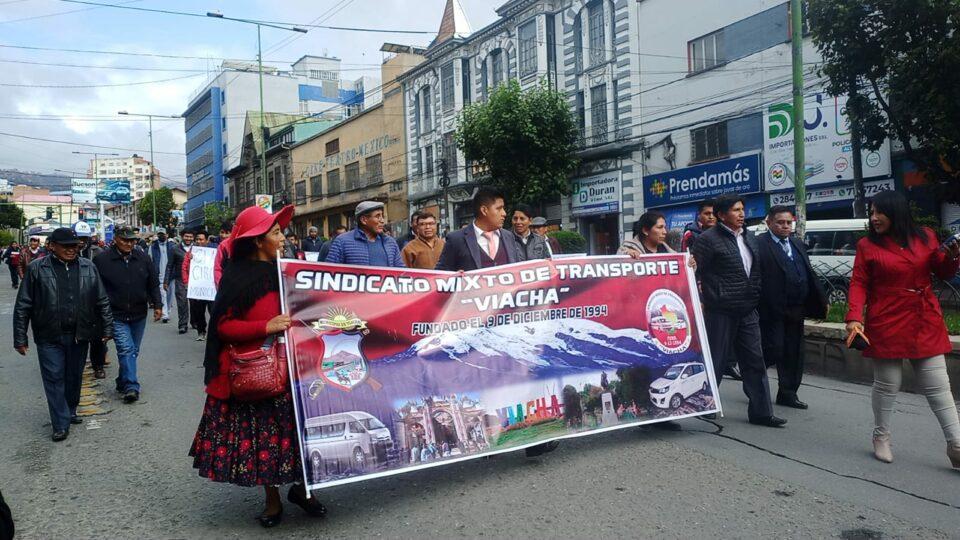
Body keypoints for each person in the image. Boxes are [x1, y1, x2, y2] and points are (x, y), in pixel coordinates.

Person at [190, 204, 326, 528]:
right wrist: (265, 327)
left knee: (298, 437)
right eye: (276, 232)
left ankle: (303, 492)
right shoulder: (235, 278)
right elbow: (223, 327)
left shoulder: (292, 270)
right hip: (257, 371)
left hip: (297, 368)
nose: (282, 237)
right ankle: (273, 499)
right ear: (257, 240)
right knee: (266, 442)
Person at [435, 187, 558, 457]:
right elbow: (438, 277)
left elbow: (522, 270)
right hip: (476, 329)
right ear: (484, 210)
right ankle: (488, 439)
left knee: (523, 374)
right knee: (487, 380)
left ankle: (534, 439)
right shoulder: (457, 239)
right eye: (500, 209)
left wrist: (544, 269)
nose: (505, 215)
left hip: (510, 323)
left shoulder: (508, 237)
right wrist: (452, 278)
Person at [844, 191, 960, 467]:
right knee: (887, 384)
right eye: (871, 213)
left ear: (895, 212)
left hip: (924, 318)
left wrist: (952, 257)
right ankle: (880, 436)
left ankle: (955, 444)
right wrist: (853, 317)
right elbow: (858, 282)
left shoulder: (926, 236)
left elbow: (941, 272)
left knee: (939, 386)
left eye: (878, 213)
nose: (873, 219)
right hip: (887, 318)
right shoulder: (867, 245)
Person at [691, 194, 785, 428]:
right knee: (716, 360)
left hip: (748, 309)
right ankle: (704, 403)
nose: (741, 214)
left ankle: (762, 412)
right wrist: (702, 299)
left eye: (742, 209)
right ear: (722, 215)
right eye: (735, 210)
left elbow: (756, 270)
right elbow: (693, 272)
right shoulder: (707, 240)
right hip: (720, 310)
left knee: (755, 360)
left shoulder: (750, 238)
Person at [14, 227, 113, 441]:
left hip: (80, 333)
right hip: (49, 335)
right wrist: (20, 337)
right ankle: (60, 423)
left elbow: (102, 299)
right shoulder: (36, 269)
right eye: (66, 246)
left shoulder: (88, 267)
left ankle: (70, 409)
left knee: (73, 376)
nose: (71, 250)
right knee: (54, 377)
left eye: (75, 246)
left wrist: (107, 328)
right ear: (51, 246)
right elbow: (23, 305)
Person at [757, 206, 828, 410]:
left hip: (797, 308)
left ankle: (788, 393)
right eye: (780, 222)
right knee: (773, 349)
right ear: (769, 222)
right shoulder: (759, 244)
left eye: (788, 222)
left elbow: (808, 271)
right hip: (771, 309)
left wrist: (822, 299)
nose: (785, 226)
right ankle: (753, 376)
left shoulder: (796, 244)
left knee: (793, 353)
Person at [93, 227, 163, 403]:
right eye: (125, 240)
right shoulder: (101, 260)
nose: (129, 244)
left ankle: (121, 380)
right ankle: (132, 386)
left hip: (139, 313)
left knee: (133, 351)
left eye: (132, 240)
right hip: (115, 314)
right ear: (116, 239)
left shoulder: (143, 258)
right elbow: (94, 288)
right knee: (126, 349)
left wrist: (158, 305)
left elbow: (153, 283)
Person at [325, 201, 405, 267]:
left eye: (382, 216)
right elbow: (329, 274)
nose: (382, 221)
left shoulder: (390, 242)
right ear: (364, 220)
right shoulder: (342, 242)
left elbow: (401, 273)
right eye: (377, 216)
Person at [183, 229, 213, 341]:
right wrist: (186, 283)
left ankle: (214, 332)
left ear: (206, 240)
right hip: (197, 287)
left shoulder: (213, 251)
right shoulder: (191, 252)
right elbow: (184, 267)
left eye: (201, 239)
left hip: (211, 288)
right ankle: (201, 332)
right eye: (197, 239)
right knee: (199, 312)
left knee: (213, 311)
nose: (198, 241)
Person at [164, 229, 191, 334]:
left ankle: (195, 322)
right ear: (182, 236)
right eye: (186, 236)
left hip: (195, 279)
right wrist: (166, 281)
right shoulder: (175, 249)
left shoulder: (197, 249)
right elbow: (169, 266)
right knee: (182, 302)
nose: (188, 238)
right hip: (180, 279)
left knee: (195, 303)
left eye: (190, 237)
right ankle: (183, 324)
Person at [150, 229, 176, 323]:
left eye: (163, 234)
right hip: (159, 274)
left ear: (167, 235)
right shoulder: (153, 247)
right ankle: (165, 314)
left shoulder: (172, 246)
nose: (161, 236)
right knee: (163, 294)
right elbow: (150, 260)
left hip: (171, 274)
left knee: (170, 294)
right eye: (159, 234)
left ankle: (168, 310)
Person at [213, 220, 233, 288]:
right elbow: (217, 268)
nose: (224, 235)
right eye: (222, 232)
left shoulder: (239, 243)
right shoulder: (221, 246)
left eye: (227, 233)